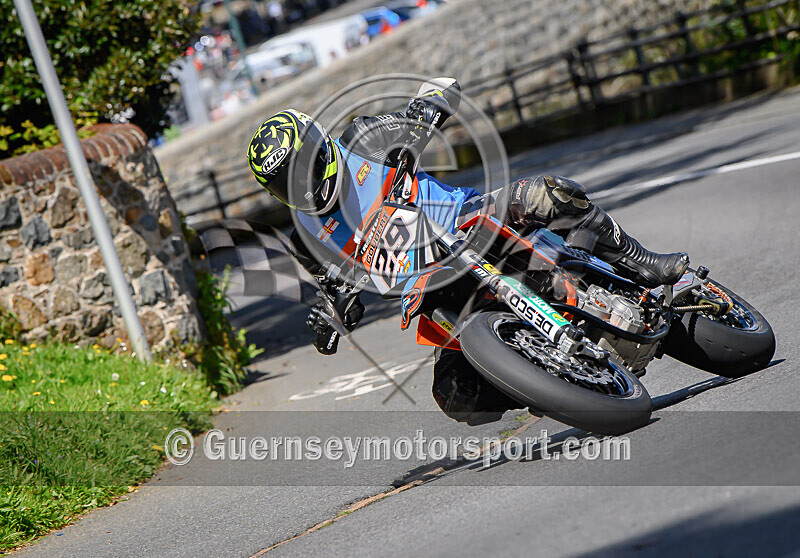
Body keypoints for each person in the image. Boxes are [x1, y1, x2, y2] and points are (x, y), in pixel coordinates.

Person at [246, 77, 689, 424]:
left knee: (548, 194)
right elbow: (332, 285)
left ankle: (640, 261)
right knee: (456, 396)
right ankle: (543, 378)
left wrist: (428, 108)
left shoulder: (366, 139)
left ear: (321, 146)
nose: (300, 185)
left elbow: (440, 93)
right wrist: (332, 316)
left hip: (468, 218)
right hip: (426, 285)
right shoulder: (307, 231)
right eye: (285, 181)